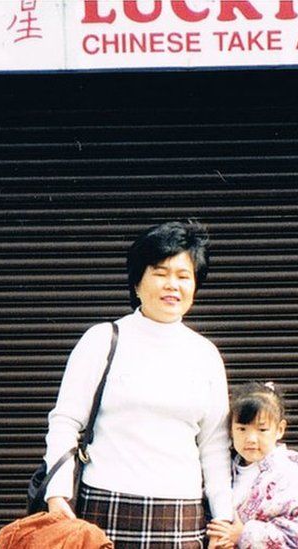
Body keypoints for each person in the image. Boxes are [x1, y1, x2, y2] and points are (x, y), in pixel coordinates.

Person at [43, 220, 234, 548]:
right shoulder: (102, 340)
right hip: (103, 506)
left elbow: (214, 446)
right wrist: (57, 494)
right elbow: (65, 422)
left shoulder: (206, 355)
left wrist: (225, 515)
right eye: (160, 273)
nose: (171, 284)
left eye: (183, 275)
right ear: (136, 283)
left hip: (181, 514)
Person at [206, 382, 298, 549]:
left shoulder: (286, 474)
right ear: (230, 430)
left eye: (262, 429)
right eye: (242, 429)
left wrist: (244, 535)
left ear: (279, 429)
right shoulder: (224, 470)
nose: (251, 438)